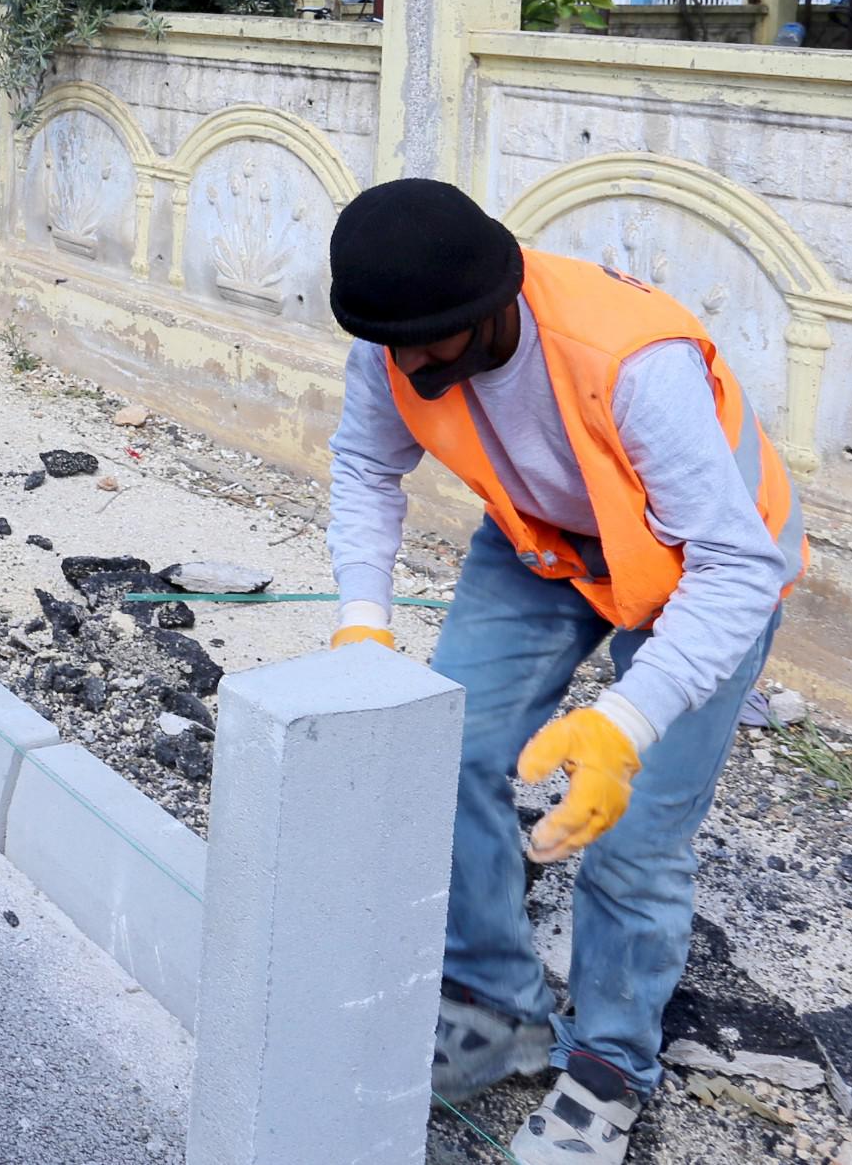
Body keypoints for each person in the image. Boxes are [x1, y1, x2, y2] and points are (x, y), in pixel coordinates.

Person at [319, 178, 805, 1165]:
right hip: (543, 543)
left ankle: (610, 1068)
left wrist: (625, 724)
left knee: (633, 836)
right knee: (449, 746)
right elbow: (366, 468)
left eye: (434, 347)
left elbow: (737, 567)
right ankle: (497, 1004)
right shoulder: (398, 341)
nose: (413, 369)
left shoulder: (630, 363)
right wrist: (363, 625)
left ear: (495, 306)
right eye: (394, 349)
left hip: (702, 567)